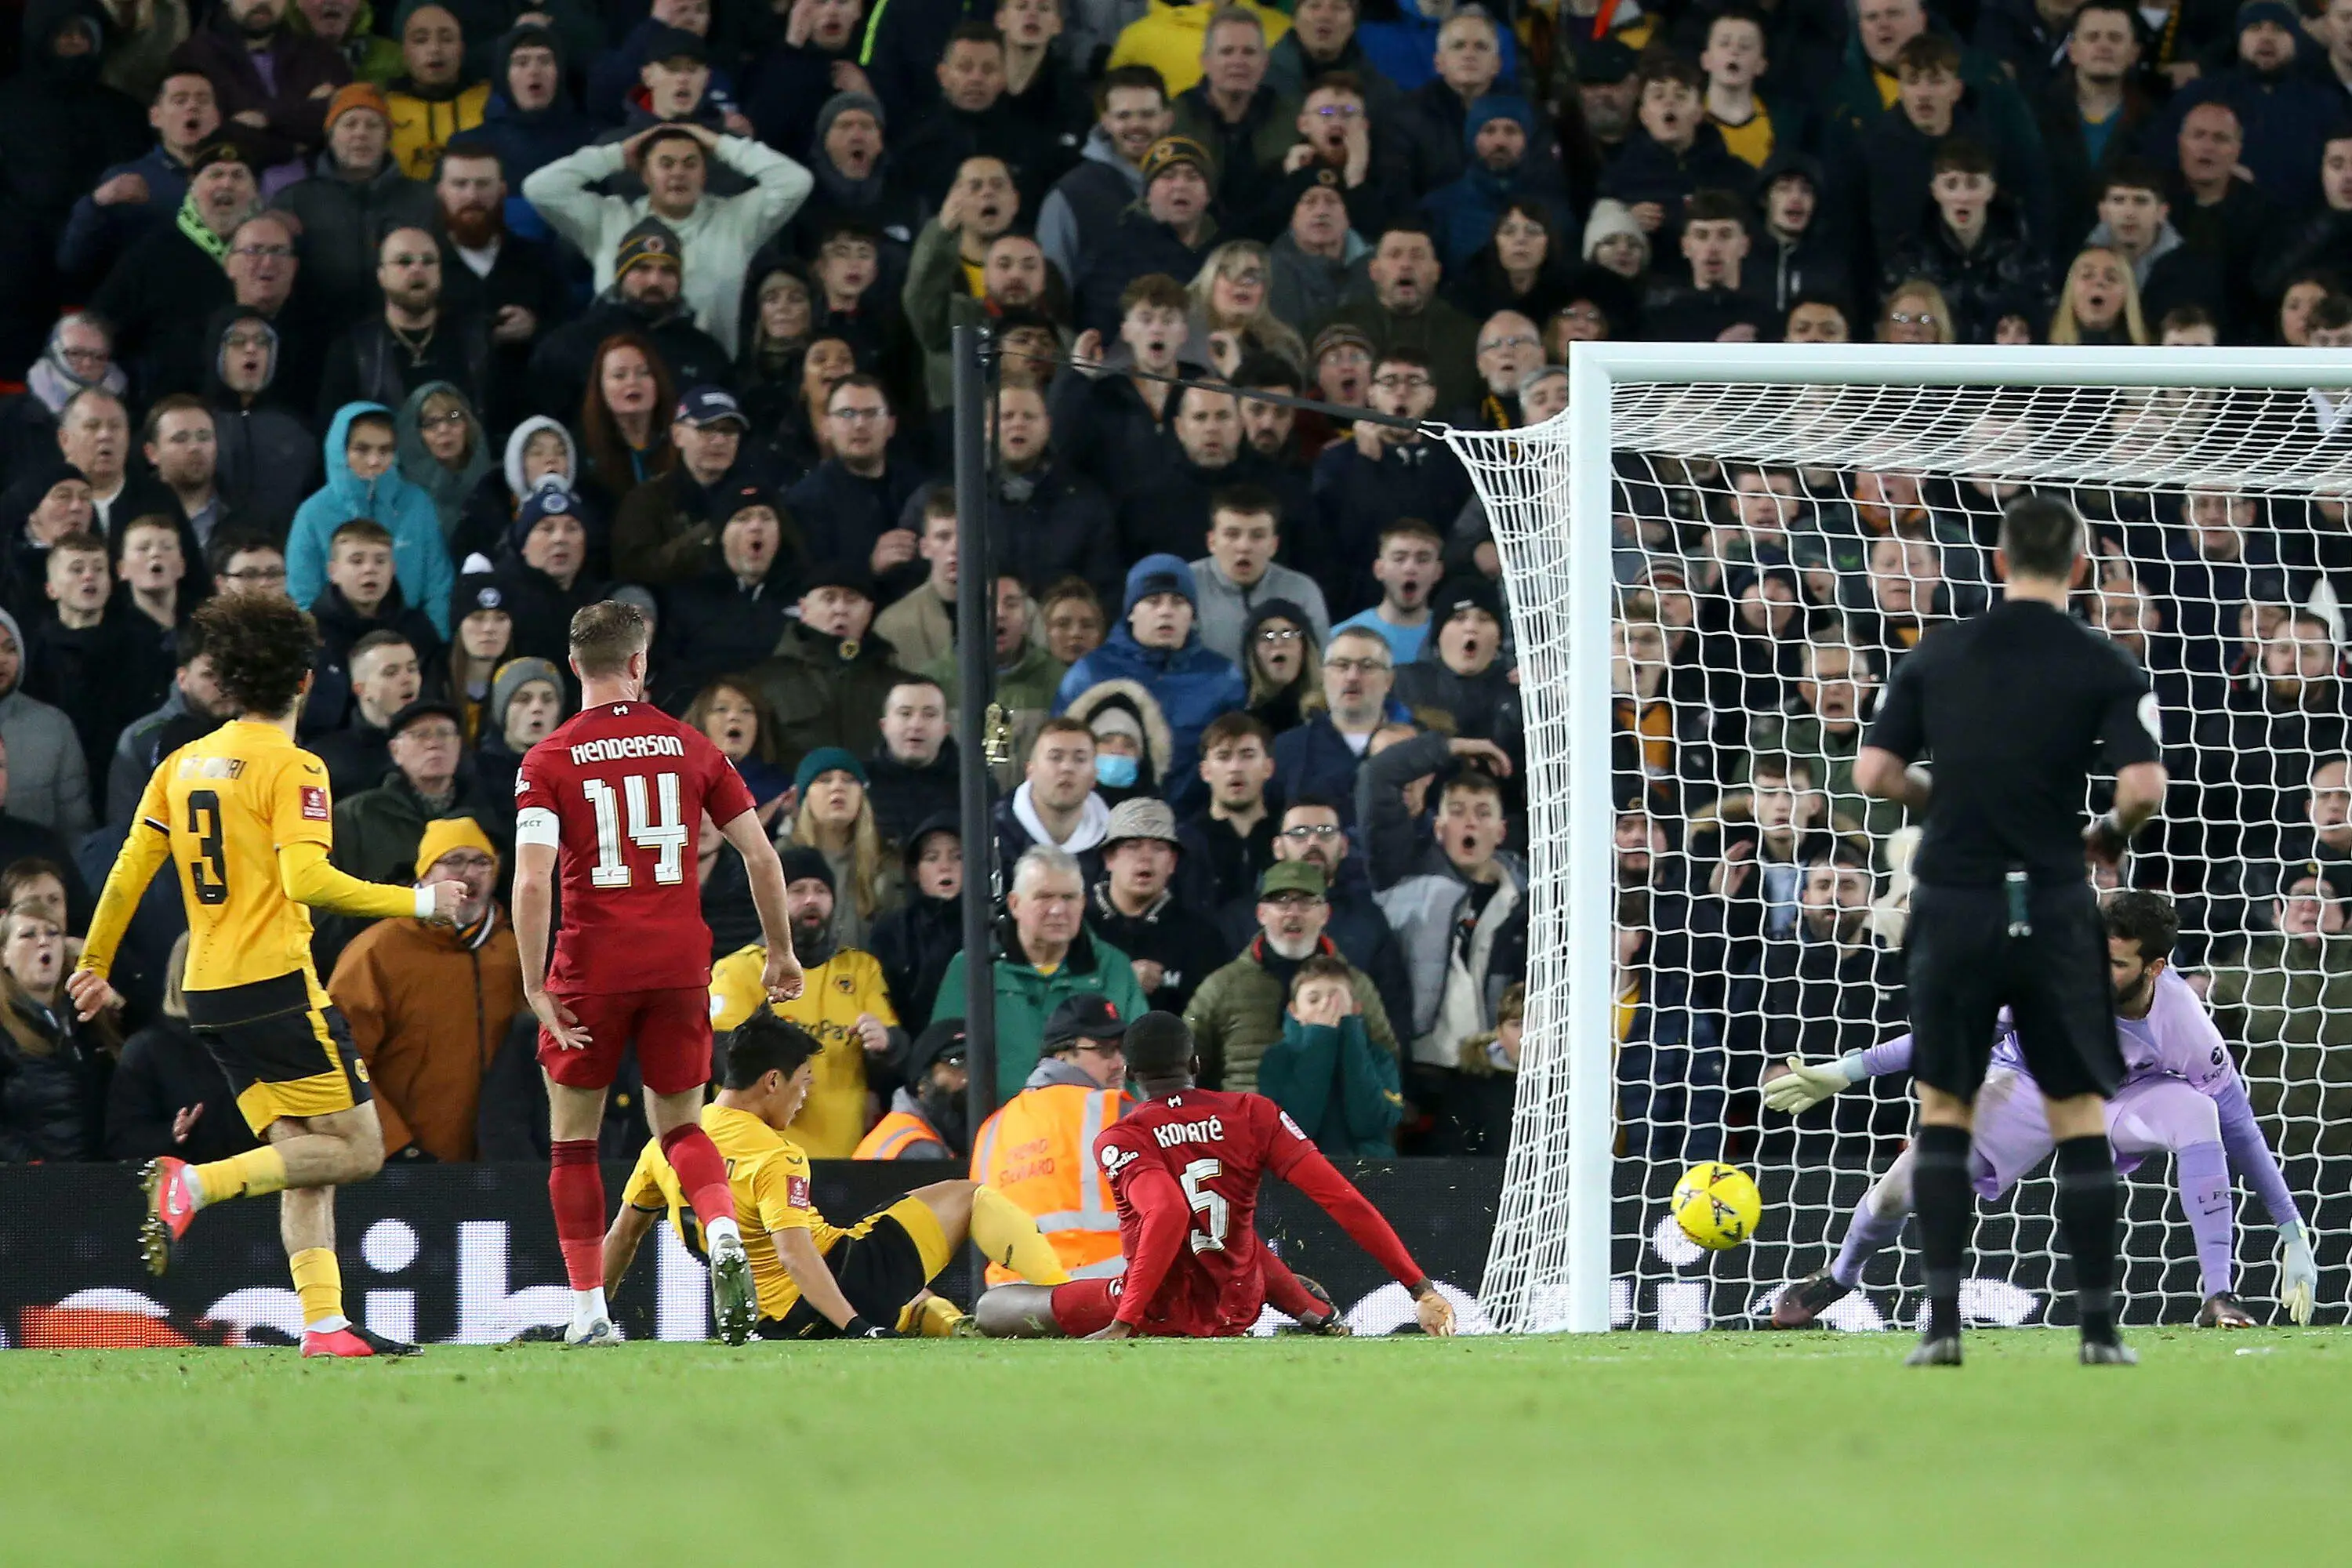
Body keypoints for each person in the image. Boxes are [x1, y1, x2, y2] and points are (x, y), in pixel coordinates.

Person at [69, 595, 465, 1358]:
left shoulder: (182, 763)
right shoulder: (294, 765)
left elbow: (126, 872)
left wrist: (93, 961)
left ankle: (324, 1323)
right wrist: (421, 900)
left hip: (207, 991)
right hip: (274, 984)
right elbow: (307, 878)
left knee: (304, 1154)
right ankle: (196, 1185)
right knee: (359, 1149)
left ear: (226, 679)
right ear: (306, 681)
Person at [1852, 494, 2169, 1367]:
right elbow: (2144, 789)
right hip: (2055, 903)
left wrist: (1943, 798)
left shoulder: (1938, 652)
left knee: (1945, 1110)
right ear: (2079, 568)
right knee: (2077, 1111)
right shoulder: (2103, 661)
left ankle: (1941, 1326)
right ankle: (2099, 1331)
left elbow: (1874, 771)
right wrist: (2106, 834)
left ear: (1997, 561)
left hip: (1956, 901)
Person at [1767, 891, 2318, 1333]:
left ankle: (2218, 1294)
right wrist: (1849, 1070)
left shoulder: (2186, 1025)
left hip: (2125, 1099)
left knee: (2198, 1111)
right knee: (1896, 1194)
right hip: (2030, 1083)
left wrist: (2291, 1231)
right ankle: (1840, 1276)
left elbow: (2240, 1127)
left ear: (2154, 968)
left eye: (2115, 963)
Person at [510, 599, 804, 1348]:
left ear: (574, 666)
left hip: (589, 968)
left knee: (574, 1144)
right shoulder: (692, 746)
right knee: (680, 1128)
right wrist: (780, 952)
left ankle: (589, 1312)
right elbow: (761, 855)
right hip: (678, 966)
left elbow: (534, 880)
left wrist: (535, 984)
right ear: (639, 663)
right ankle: (724, 1232)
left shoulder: (547, 760)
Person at [975, 1009, 1451, 1338]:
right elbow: (1343, 1201)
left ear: (1132, 1073)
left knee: (992, 1308)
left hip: (1155, 1308)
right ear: (1196, 1064)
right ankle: (1313, 1310)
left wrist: (1125, 1319)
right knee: (1234, 1231)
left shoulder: (1123, 1136)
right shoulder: (1254, 1114)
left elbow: (1167, 1212)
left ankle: (1303, 1305)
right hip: (1236, 1307)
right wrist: (1420, 1288)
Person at [603, 1007, 1070, 1338]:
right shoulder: (776, 1154)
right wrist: (855, 1326)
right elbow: (795, 1254)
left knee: (912, 1298)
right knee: (968, 1197)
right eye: (803, 1083)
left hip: (772, 1320)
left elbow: (622, 1236)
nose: (803, 1098)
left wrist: (593, 1310)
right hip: (836, 1285)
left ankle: (953, 1328)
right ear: (773, 1082)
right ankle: (1067, 1302)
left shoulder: (668, 1144)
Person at [328, 815, 522, 1162]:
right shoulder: (377, 951)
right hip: (403, 1163)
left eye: (482, 862)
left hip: (504, 1163)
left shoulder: (516, 951)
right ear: (425, 875)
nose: (469, 873)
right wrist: (395, 1144)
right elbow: (340, 1060)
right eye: (454, 861)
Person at [706, 845, 898, 1158]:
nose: (811, 899)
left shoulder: (861, 969)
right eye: (797, 890)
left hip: (847, 1161)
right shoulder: (740, 969)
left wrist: (886, 1045)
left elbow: (896, 1054)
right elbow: (718, 1055)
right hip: (756, 1158)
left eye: (820, 890)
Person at [929, 844, 1147, 1099]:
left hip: (1092, 1121)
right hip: (1000, 1122)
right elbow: (945, 1062)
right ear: (1015, 904)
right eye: (1044, 897)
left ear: (1082, 903)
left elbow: (1142, 1060)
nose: (1058, 909)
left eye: (1069, 898)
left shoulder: (1114, 967)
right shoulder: (972, 967)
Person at [967, 993, 1135, 1284]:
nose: (1119, 1063)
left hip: (1010, 1296)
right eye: (1105, 1050)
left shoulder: (992, 1129)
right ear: (1061, 1054)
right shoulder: (1115, 1109)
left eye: (1122, 1050)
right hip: (1106, 1285)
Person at [1088, 796, 1231, 1014]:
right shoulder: (1077, 928)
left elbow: (1215, 1016)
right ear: (1109, 858)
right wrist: (1120, 986)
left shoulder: (1201, 936)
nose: (1146, 857)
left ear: (1172, 862)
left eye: (1158, 848)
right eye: (1132, 846)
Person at [1256, 951, 1401, 1156]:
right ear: (1294, 1011)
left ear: (1356, 1008)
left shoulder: (1379, 1057)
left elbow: (1371, 1124)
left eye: (1336, 999)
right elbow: (1296, 1128)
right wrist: (1321, 1037)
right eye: (1313, 1000)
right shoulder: (1277, 1057)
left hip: (1368, 1168)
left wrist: (1351, 1037)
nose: (1325, 1006)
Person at [854, 1018, 971, 1161]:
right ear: (922, 1084)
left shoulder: (900, 1128)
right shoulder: (919, 1150)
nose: (967, 1078)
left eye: (974, 1063)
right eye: (955, 1063)